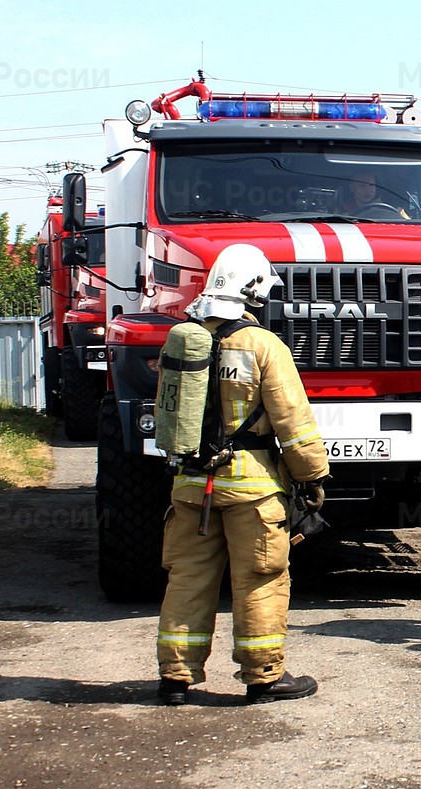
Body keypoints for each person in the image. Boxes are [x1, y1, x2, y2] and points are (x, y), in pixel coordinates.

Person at [156, 244, 330, 705]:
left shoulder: (183, 338)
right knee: (260, 578)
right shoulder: (263, 345)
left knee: (187, 579)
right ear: (253, 292)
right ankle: (263, 678)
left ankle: (175, 679)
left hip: (192, 483)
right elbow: (292, 423)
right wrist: (312, 477)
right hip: (252, 489)